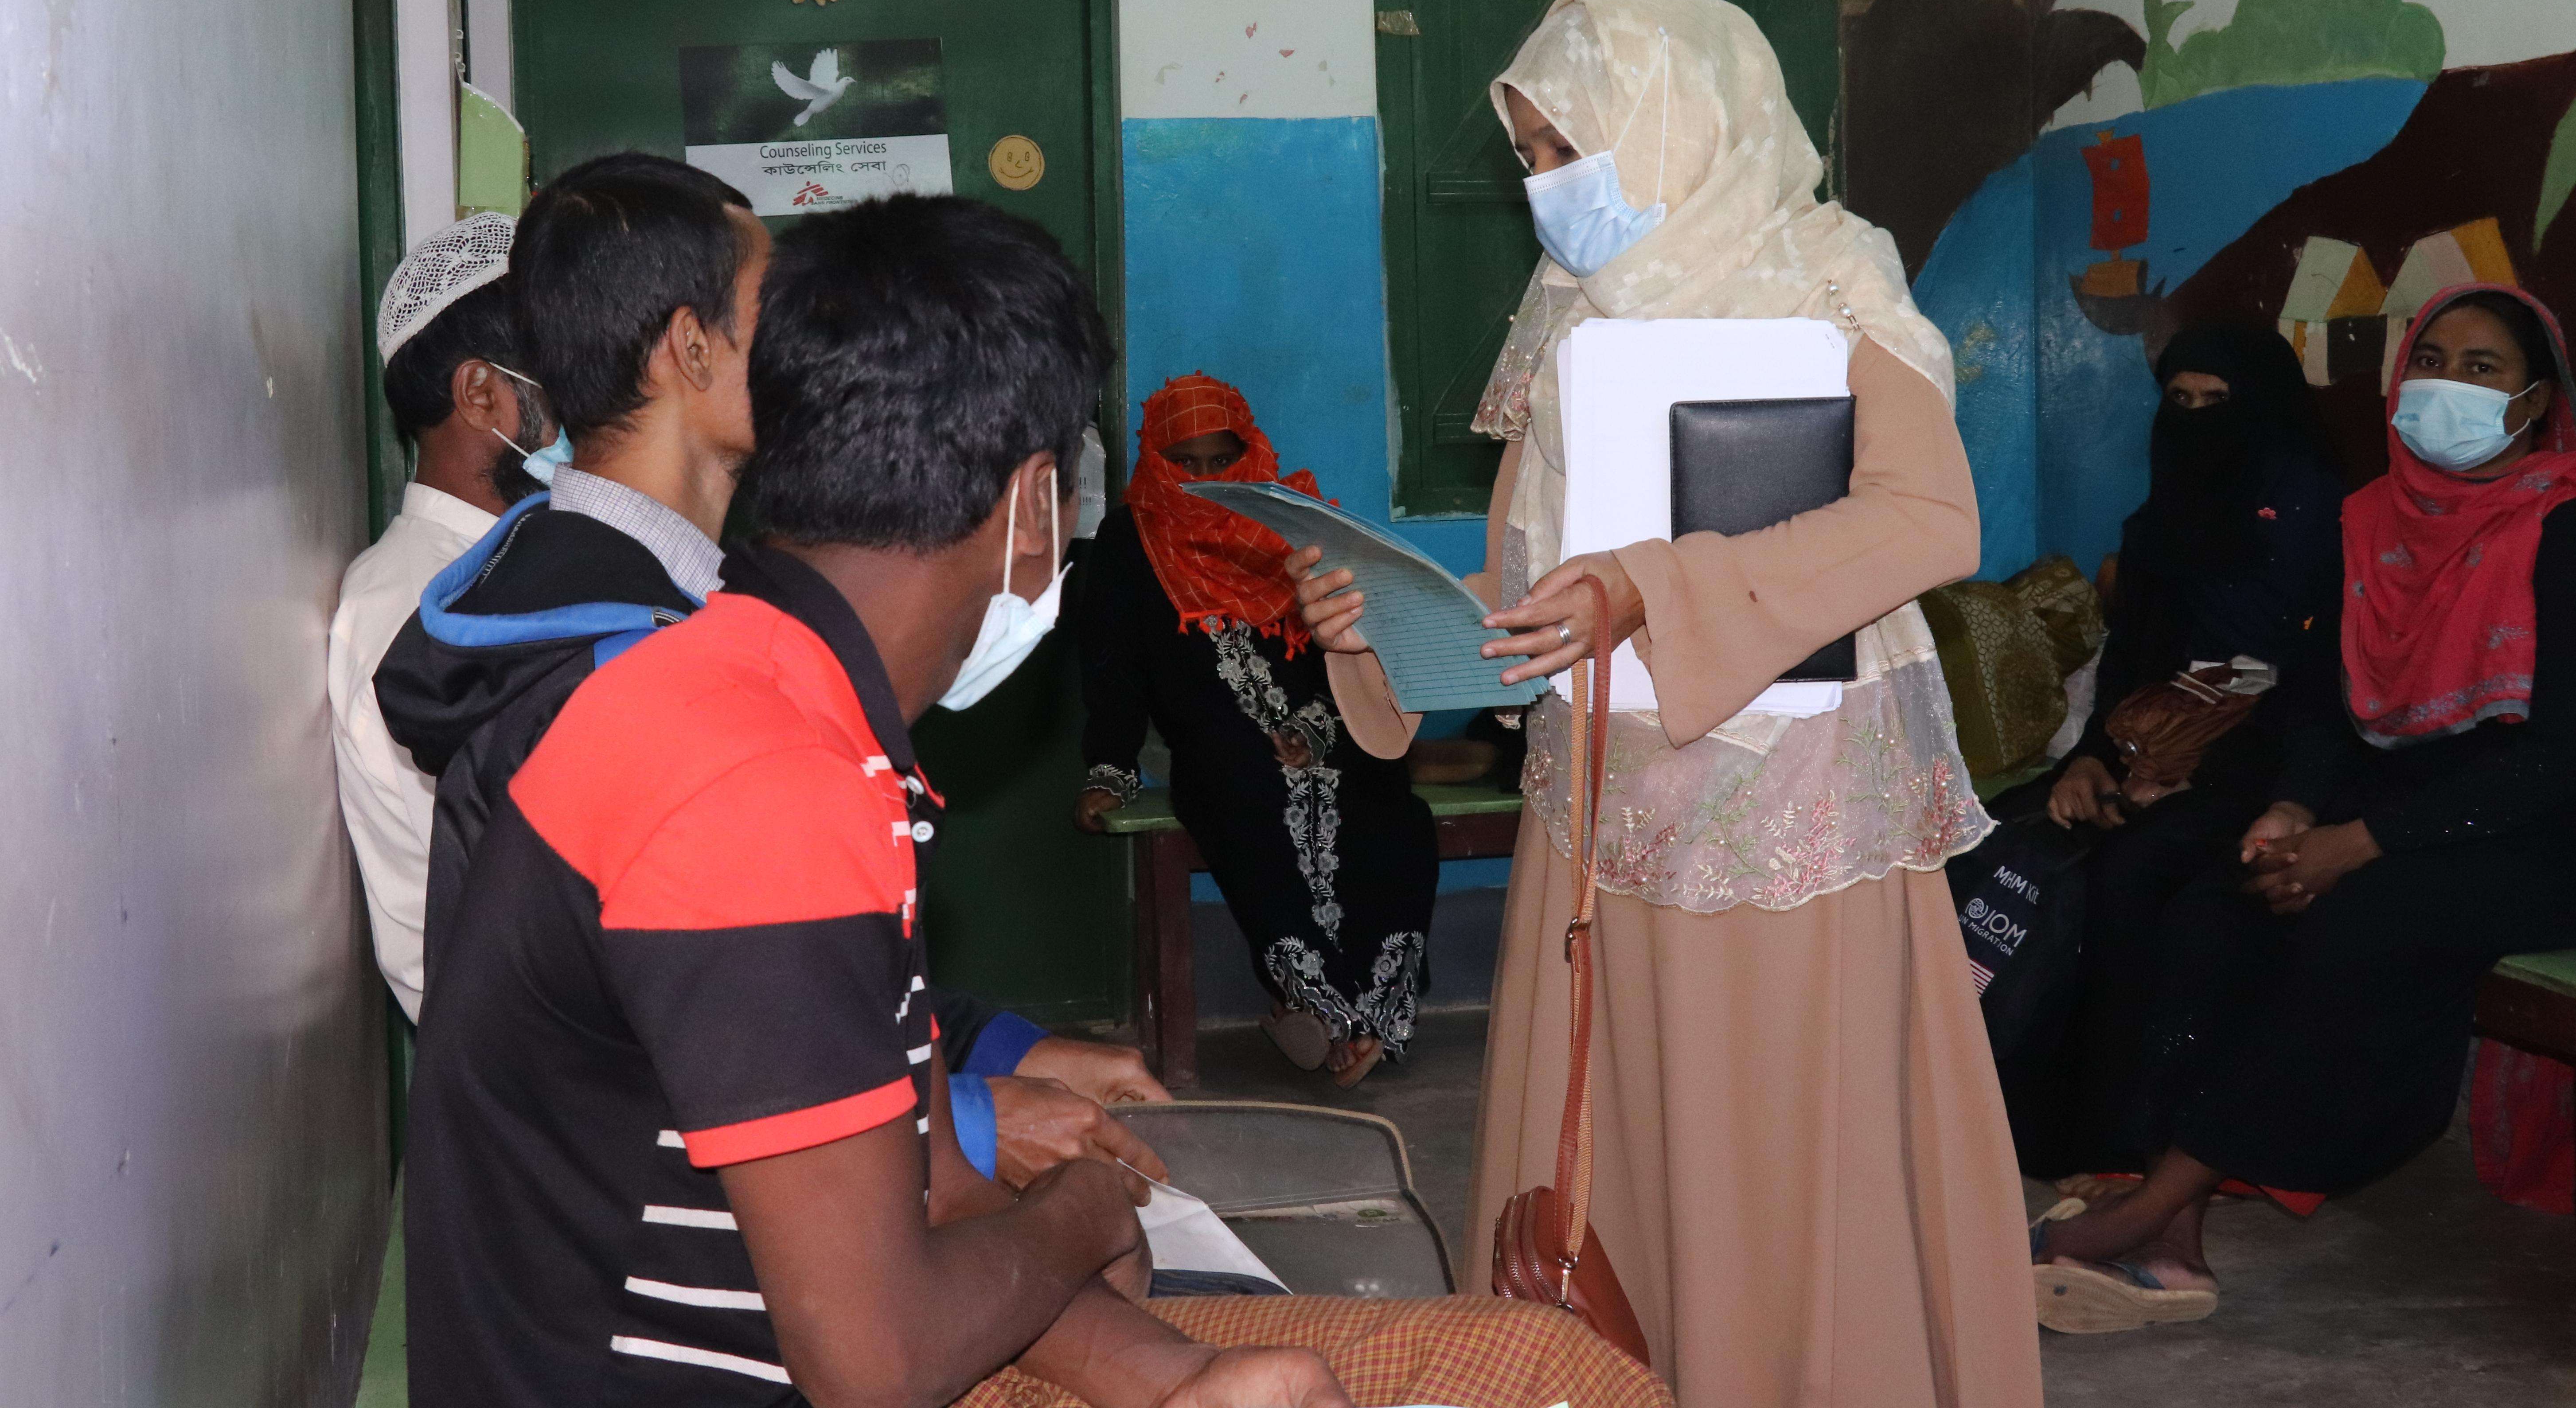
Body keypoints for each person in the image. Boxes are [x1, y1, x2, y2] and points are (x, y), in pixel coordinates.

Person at [406, 193, 1673, 1408]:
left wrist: (1175, 1379)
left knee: (1521, 1369)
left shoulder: (768, 697)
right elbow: (881, 1362)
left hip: (811, 1348)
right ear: (1032, 506)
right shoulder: (756, 783)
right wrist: (1081, 1216)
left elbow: (934, 1183)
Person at [1295, 0, 2041, 1407]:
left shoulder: (1831, 280)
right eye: (1525, 159)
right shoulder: (1571, 319)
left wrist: (1659, 587)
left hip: (1791, 831)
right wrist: (1379, 632)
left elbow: (1932, 523)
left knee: (1786, 1158)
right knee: (1613, 1167)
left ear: (1674, 120)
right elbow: (1527, 590)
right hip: (1602, 843)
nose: (1542, 190)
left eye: (1559, 147)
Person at [375, 153, 1162, 1186]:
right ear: (690, 350)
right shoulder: (614, 664)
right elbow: (644, 1036)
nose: (811, 335)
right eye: (776, 302)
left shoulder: (688, 591)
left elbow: (772, 965)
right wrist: (965, 1121)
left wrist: (992, 1048)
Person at [2027, 285, 2576, 1333]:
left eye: (2483, 367)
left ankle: (2152, 1205)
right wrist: (2290, 807)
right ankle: (2176, 1246)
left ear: (2536, 399)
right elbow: (2321, 702)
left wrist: (2359, 841)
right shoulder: (2377, 521)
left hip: (2570, 839)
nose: (2448, 383)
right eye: (2433, 358)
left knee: (2358, 919)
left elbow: (2565, 758)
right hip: (2410, 814)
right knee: (2214, 903)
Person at [1989, 322, 2346, 1176]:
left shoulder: (2323, 509)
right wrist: (2091, 760)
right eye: (2179, 404)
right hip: (2155, 739)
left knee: (2134, 873)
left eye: (2217, 404)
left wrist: (2205, 771)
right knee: (2006, 835)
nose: (2195, 422)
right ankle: (2016, 1111)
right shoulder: (2163, 515)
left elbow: (2320, 674)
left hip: (2278, 758)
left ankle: (2131, 1137)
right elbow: (2136, 652)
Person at [1076, 375, 1437, 1087]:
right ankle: (1317, 1004)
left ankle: (1374, 1013)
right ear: (1157, 459)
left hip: (1324, 728)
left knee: (1391, 808)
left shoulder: (1297, 523)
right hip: (1217, 742)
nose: (1209, 478)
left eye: (1222, 458)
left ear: (1251, 449)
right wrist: (1109, 770)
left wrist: (1314, 729)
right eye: (1188, 462)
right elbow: (1112, 670)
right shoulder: (1130, 538)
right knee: (1244, 794)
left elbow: (1351, 647)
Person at [329, 211, 564, 1022]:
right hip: (529, 1066)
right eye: (564, 376)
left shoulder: (527, 562)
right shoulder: (413, 604)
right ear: (480, 393)